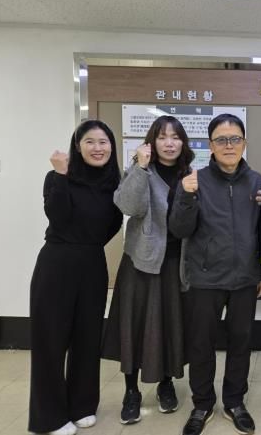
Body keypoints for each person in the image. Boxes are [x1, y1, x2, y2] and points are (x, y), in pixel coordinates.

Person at [169, 114, 261, 435]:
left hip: (245, 279)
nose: (229, 145)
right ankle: (202, 404)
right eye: (221, 140)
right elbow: (179, 229)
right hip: (204, 278)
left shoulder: (257, 182)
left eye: (235, 139)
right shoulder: (194, 180)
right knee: (201, 344)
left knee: (241, 342)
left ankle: (234, 402)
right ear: (210, 145)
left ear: (244, 143)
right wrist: (186, 196)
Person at [29, 120, 122, 435]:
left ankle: (82, 405)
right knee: (51, 341)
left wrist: (89, 243)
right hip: (57, 262)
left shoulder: (113, 183)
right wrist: (60, 175)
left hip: (93, 262)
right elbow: (57, 216)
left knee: (87, 337)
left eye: (103, 142)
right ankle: (50, 417)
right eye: (90, 142)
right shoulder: (58, 176)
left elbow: (113, 225)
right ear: (77, 146)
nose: (98, 148)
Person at [102, 115, 194, 424]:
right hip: (140, 263)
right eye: (162, 137)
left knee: (170, 324)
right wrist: (141, 168)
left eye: (175, 137)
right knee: (134, 326)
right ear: (151, 142)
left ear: (183, 143)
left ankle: (166, 383)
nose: (169, 143)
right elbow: (129, 207)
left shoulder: (190, 174)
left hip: (175, 263)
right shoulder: (139, 170)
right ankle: (131, 391)